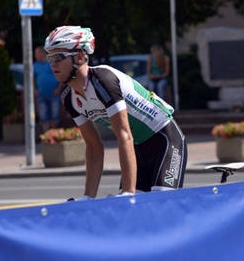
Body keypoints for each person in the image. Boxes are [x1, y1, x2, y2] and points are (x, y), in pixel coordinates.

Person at [43, 26, 187, 199]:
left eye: (58, 57)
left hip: (166, 138)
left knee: (162, 204)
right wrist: (88, 197)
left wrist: (127, 193)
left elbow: (124, 135)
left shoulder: (102, 81)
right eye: (50, 58)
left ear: (80, 57)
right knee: (133, 217)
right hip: (138, 149)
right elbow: (94, 146)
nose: (53, 64)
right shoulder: (69, 98)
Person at [33, 46, 61, 132]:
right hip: (41, 94)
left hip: (54, 94)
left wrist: (58, 89)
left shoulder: (52, 63)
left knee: (55, 114)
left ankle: (53, 133)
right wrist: (35, 90)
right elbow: (33, 79)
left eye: (36, 54)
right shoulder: (35, 65)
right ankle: (46, 134)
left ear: (42, 53)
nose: (35, 56)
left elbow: (60, 76)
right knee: (43, 116)